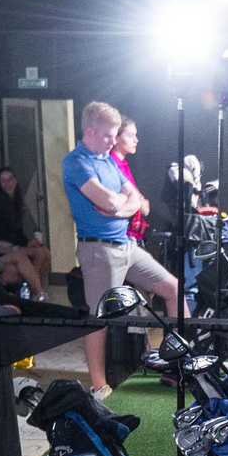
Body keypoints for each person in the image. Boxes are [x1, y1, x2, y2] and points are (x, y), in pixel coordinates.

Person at [64, 101, 177, 399]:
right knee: (99, 319)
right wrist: (121, 205)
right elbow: (111, 201)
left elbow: (133, 201)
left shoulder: (109, 161)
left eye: (115, 135)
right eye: (108, 135)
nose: (112, 141)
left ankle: (178, 362)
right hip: (99, 250)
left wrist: (119, 208)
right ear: (90, 131)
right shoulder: (75, 161)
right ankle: (99, 387)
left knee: (173, 289)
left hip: (127, 246)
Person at [0, 165, 54, 301]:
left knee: (45, 253)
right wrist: (26, 244)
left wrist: (29, 242)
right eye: (3, 181)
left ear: (16, 180)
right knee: (35, 253)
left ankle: (36, 292)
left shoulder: (16, 203)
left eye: (10, 179)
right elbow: (2, 233)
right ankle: (37, 293)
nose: (7, 184)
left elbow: (17, 232)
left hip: (13, 245)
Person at [114, 117, 151, 245]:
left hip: (132, 235)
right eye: (130, 136)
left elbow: (144, 208)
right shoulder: (113, 165)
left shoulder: (123, 164)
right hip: (123, 235)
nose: (136, 140)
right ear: (116, 138)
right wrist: (139, 201)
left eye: (135, 135)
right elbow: (139, 204)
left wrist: (140, 201)